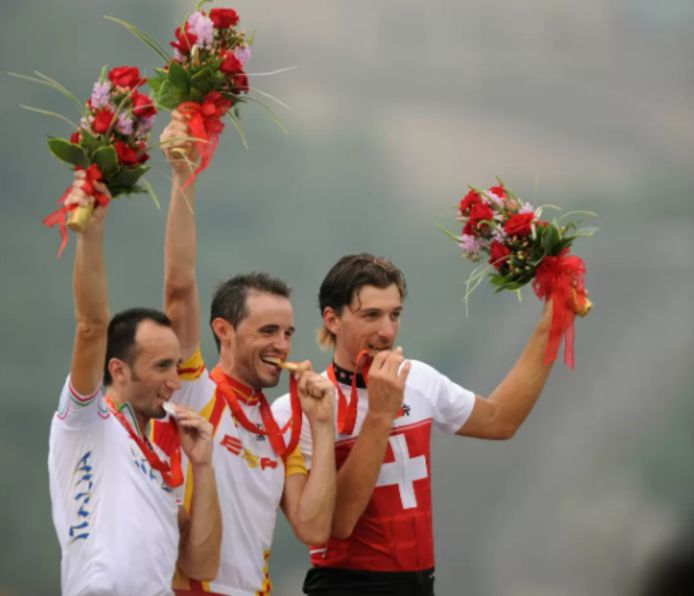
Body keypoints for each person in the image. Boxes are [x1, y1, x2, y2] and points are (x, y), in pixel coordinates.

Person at [272, 253, 556, 595]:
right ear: (332, 319)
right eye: (371, 316)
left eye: (395, 314)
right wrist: (379, 415)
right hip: (344, 586)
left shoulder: (417, 378)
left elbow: (501, 420)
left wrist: (551, 327)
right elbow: (339, 523)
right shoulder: (297, 407)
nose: (387, 331)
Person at [157, 112, 337, 595]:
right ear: (224, 331)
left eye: (288, 332)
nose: (282, 344)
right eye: (268, 330)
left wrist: (322, 425)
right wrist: (184, 177)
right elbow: (178, 288)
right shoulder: (195, 390)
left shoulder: (283, 424)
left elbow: (314, 529)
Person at [48, 172, 222, 596]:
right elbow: (91, 326)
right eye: (162, 366)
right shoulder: (87, 421)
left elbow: (202, 563)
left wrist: (203, 464)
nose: (174, 382)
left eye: (176, 367)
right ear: (119, 371)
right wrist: (92, 232)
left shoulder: (162, 464)